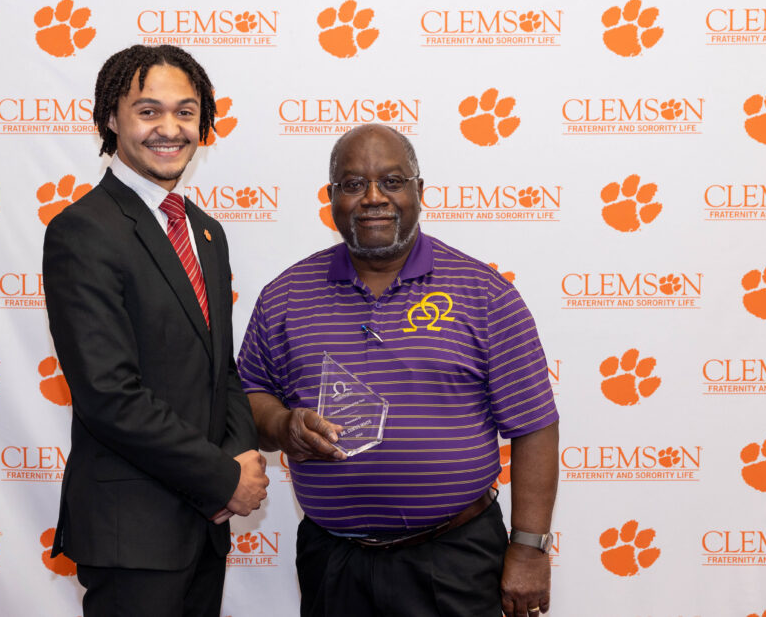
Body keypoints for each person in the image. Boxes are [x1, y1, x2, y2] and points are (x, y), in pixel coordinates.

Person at [237, 123, 559, 617]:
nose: (373, 198)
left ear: (419, 192)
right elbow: (250, 393)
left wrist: (530, 547)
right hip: (333, 559)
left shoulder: (484, 294)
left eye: (392, 181)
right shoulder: (286, 296)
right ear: (331, 198)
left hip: (455, 558)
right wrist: (283, 425)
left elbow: (534, 424)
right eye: (352, 184)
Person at [43, 44, 268, 617]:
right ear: (111, 118)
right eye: (148, 111)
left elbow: (222, 370)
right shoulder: (83, 231)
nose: (170, 128)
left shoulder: (206, 232)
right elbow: (108, 396)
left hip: (203, 526)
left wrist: (239, 457)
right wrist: (221, 478)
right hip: (133, 535)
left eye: (186, 112)